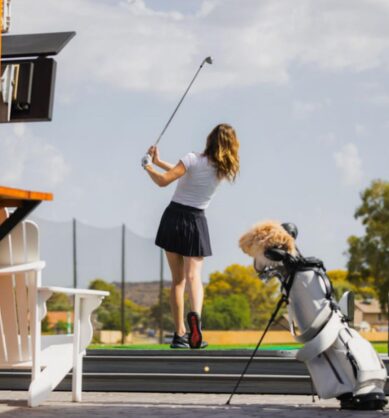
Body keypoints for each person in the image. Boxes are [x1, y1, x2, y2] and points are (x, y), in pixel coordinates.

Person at [142, 123, 240, 349]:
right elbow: (184, 174)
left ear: (209, 139)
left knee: (178, 281)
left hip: (173, 218)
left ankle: (179, 335)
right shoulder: (223, 169)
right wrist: (158, 162)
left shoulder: (191, 158)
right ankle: (195, 317)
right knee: (194, 277)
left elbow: (164, 180)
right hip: (196, 221)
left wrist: (147, 167)